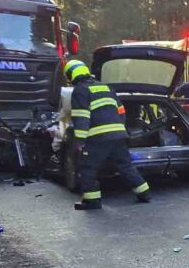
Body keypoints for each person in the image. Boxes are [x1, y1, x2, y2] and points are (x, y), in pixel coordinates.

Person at [64, 59, 151, 210]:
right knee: (126, 166)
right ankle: (144, 193)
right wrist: (118, 129)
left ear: (71, 75)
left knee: (88, 169)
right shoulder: (106, 87)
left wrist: (80, 141)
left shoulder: (80, 90)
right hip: (119, 135)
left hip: (98, 138)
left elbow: (81, 117)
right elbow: (122, 112)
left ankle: (92, 201)